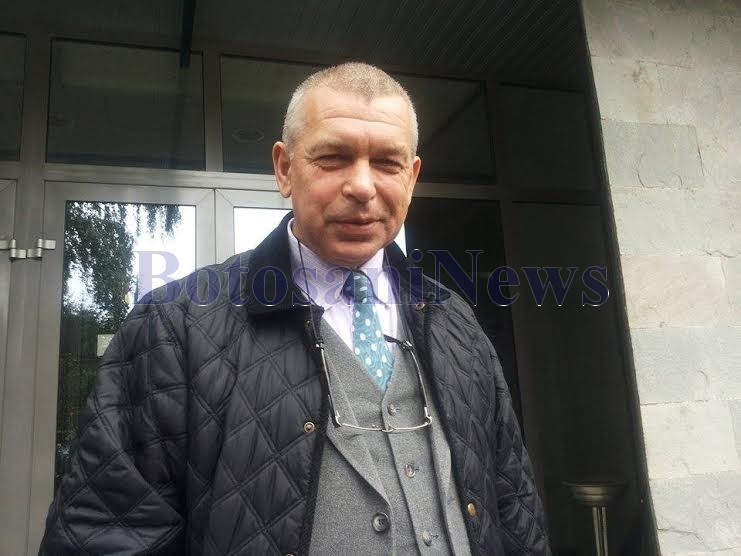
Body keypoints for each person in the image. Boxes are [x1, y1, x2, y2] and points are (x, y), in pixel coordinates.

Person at [40, 62, 551, 555]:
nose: (363, 186)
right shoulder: (174, 327)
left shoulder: (455, 321)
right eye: (333, 158)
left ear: (412, 177)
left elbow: (514, 509)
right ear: (284, 169)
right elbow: (107, 533)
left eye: (387, 163)